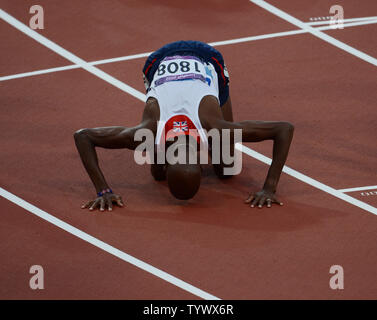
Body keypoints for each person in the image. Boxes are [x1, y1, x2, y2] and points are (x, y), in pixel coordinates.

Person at [74, 40, 294, 212]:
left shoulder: (210, 128)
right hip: (161, 63)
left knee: (226, 169)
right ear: (200, 165)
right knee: (218, 169)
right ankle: (162, 160)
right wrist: (103, 191)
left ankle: (211, 94)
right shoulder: (154, 133)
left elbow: (285, 128)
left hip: (203, 59)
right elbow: (83, 136)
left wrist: (270, 188)